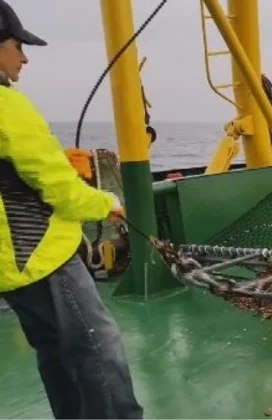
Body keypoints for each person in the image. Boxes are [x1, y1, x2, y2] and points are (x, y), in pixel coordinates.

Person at [0, 2, 143, 419]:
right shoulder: (9, 106)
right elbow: (61, 194)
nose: (24, 57)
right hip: (42, 255)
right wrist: (107, 203)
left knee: (53, 349)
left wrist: (53, 161)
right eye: (16, 45)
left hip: (10, 266)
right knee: (99, 346)